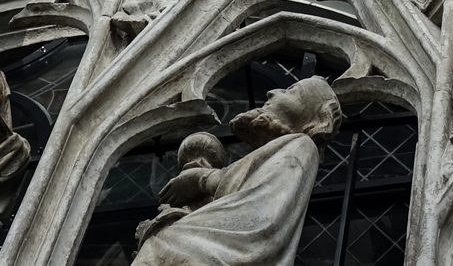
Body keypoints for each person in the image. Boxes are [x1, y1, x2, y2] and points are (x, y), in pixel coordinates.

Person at [130, 77, 344, 266]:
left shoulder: (302, 146)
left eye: (291, 91)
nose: (272, 92)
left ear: (316, 119)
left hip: (238, 248)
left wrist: (201, 179)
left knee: (165, 242)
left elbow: (262, 211)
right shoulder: (282, 150)